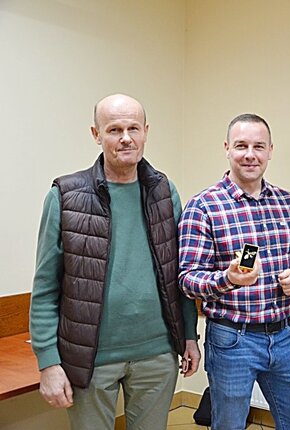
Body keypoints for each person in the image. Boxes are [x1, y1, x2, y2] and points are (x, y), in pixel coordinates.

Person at [29, 93, 200, 430]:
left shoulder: (165, 192)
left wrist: (189, 335)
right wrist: (48, 362)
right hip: (90, 358)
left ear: (146, 131)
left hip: (157, 354)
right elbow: (46, 287)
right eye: (114, 130)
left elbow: (177, 272)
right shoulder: (65, 196)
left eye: (133, 128)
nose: (125, 138)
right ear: (96, 134)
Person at [178, 113, 290, 430]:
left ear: (270, 151)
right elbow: (187, 279)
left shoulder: (287, 202)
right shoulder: (204, 206)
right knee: (229, 425)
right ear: (227, 148)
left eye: (258, 146)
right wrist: (227, 279)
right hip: (231, 339)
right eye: (241, 146)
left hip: (284, 335)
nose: (250, 154)